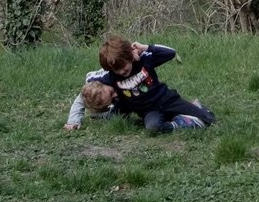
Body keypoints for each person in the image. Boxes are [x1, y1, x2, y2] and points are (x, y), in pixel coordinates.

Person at [64, 36, 215, 133]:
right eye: (116, 69)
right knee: (152, 127)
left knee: (210, 120)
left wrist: (146, 48)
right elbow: (85, 96)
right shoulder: (110, 79)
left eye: (123, 65)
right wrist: (74, 121)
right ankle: (179, 123)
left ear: (130, 55)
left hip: (167, 99)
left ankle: (197, 108)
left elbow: (171, 53)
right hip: (148, 110)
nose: (122, 71)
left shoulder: (143, 60)